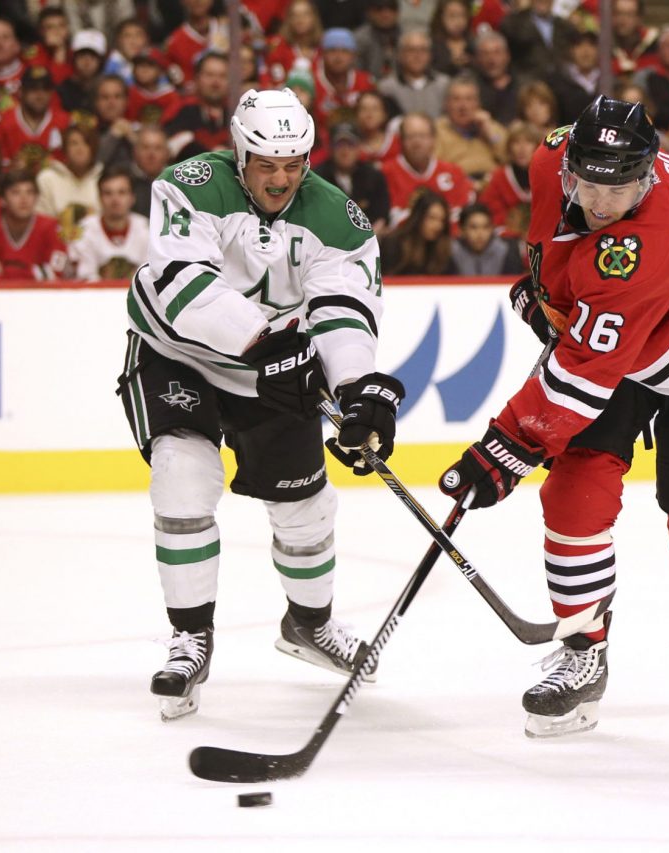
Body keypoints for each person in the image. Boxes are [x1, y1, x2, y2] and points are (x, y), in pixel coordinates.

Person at [438, 96, 669, 737]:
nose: (601, 203)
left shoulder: (654, 240)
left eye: (620, 189)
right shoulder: (549, 157)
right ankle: (584, 653)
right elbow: (554, 250)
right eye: (588, 183)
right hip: (611, 338)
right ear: (568, 166)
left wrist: (501, 452)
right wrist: (547, 293)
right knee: (572, 497)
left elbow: (580, 377)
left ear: (648, 175)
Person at [116, 87, 405, 721]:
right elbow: (180, 282)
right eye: (265, 164)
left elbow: (344, 307)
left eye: (293, 164)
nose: (280, 179)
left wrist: (355, 388)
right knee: (183, 476)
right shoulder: (189, 185)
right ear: (241, 153)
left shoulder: (338, 219)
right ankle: (191, 636)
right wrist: (269, 341)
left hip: (270, 371)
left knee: (304, 505)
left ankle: (309, 624)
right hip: (179, 355)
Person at [382, 111, 475, 227]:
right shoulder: (384, 174)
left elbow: (465, 218)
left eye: (422, 136)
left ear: (433, 139)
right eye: (410, 136)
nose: (417, 142)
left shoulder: (453, 173)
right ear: (401, 141)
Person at [0, 170, 68, 282]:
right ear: (2, 200)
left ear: (36, 197)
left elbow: (56, 273)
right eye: (15, 192)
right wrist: (34, 272)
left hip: (41, 297)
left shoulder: (53, 228)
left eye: (29, 192)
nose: (24, 199)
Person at [69, 165, 150, 281]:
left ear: (132, 198)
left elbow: (151, 278)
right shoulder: (84, 229)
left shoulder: (147, 228)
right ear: (100, 198)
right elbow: (85, 279)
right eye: (108, 193)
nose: (115, 200)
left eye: (121, 193)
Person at [0, 65, 69, 174]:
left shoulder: (65, 123)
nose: (40, 95)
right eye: (33, 89)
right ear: (21, 92)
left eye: (45, 88)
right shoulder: (2, 124)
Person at [315, 121, 390, 236]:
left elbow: (382, 216)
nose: (345, 151)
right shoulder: (317, 178)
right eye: (339, 145)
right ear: (330, 148)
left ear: (359, 147)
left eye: (350, 144)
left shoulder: (373, 176)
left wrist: (369, 240)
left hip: (369, 239)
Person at [435, 73, 508, 190]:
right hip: (457, 187)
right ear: (446, 104)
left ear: (477, 104)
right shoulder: (436, 131)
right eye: (456, 99)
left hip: (493, 187)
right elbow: (434, 170)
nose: (463, 106)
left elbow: (508, 157)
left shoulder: (489, 126)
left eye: (469, 99)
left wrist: (489, 132)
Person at [35, 125, 103, 242]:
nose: (80, 149)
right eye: (74, 143)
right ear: (65, 149)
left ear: (93, 149)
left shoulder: (104, 180)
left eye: (86, 143)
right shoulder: (47, 179)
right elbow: (41, 226)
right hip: (55, 245)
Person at [377, 29, 450, 120]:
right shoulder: (387, 88)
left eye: (423, 50)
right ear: (400, 55)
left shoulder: (444, 84)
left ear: (430, 55)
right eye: (411, 50)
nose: (417, 55)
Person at [379, 189, 454, 274]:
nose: (438, 226)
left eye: (442, 220)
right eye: (432, 218)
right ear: (418, 217)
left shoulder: (443, 250)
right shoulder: (393, 244)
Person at [450, 202, 524, 275]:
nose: (480, 234)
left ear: (492, 229)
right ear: (462, 230)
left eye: (485, 227)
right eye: (473, 227)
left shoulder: (506, 251)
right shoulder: (450, 252)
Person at [130, 125, 171, 216]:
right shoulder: (124, 180)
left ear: (167, 153)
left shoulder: (178, 182)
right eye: (145, 147)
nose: (151, 154)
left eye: (157, 148)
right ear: (135, 152)